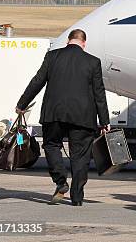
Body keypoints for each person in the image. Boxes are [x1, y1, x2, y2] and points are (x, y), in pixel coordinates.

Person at [16, 29, 110, 206]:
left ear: (68, 41)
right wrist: (105, 121)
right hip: (82, 115)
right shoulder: (92, 62)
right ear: (84, 43)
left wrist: (22, 104)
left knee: (51, 146)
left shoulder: (52, 57)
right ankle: (77, 196)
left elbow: (37, 81)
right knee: (80, 156)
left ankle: (61, 182)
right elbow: (99, 94)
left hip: (54, 112)